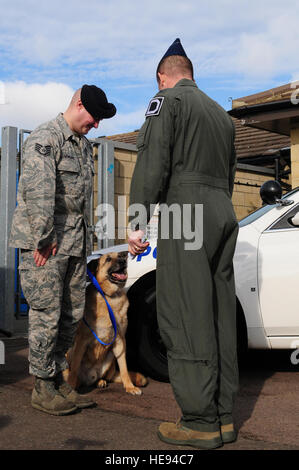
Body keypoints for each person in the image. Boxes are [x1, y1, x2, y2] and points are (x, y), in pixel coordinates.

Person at [128, 39, 239, 449]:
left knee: (183, 311)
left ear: (163, 76)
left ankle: (198, 421)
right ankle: (223, 416)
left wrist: (137, 221)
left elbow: (152, 161)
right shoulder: (220, 115)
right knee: (217, 313)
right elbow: (228, 175)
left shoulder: (166, 102)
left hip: (186, 211)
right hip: (223, 211)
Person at [9, 85, 116, 415]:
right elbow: (39, 191)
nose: (96, 125)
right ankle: (42, 387)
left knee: (70, 316)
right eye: (95, 117)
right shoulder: (46, 137)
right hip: (48, 246)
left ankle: (57, 380)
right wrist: (43, 239)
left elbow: (81, 201)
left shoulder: (83, 146)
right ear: (80, 105)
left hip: (74, 246)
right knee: (47, 314)